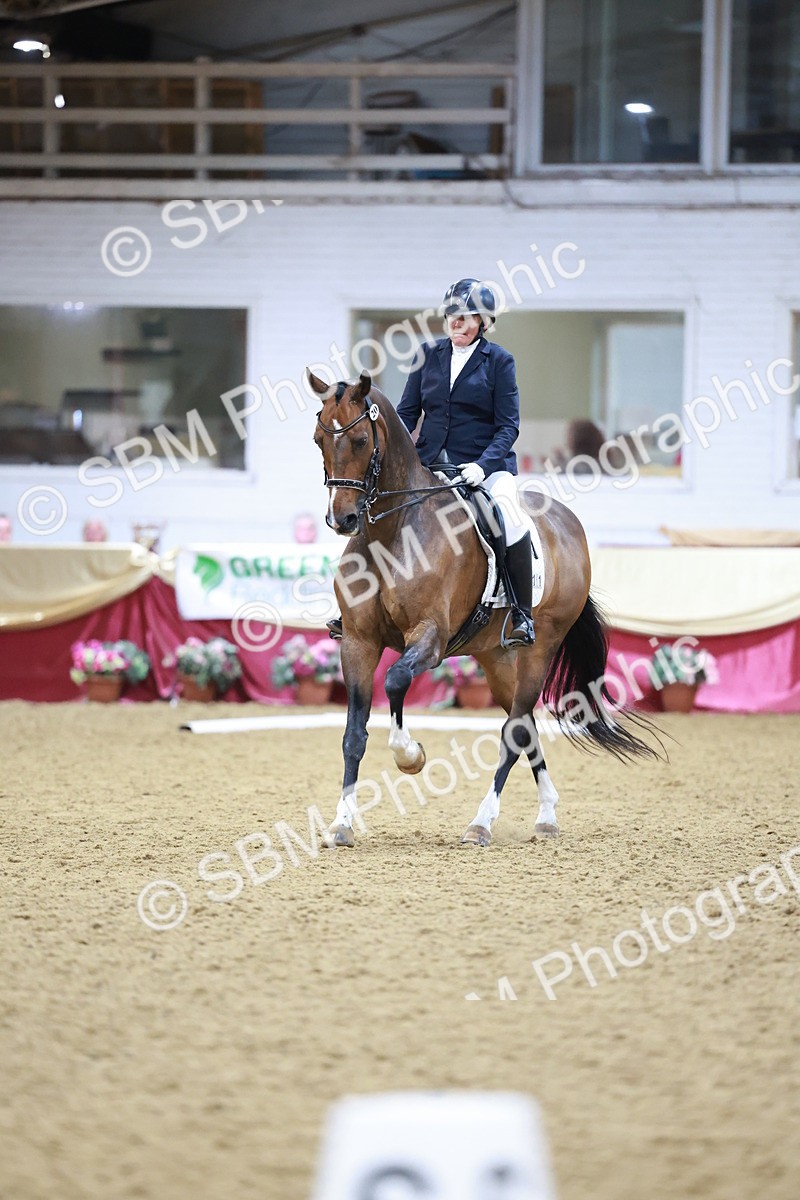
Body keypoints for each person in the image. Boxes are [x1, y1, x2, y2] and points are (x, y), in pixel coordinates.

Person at [326, 277, 535, 647]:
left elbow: (508, 426)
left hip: (484, 467)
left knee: (510, 518)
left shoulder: (500, 361)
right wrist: (394, 456)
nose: (456, 322)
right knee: (381, 511)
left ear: (483, 323)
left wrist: (484, 466)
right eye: (451, 315)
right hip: (430, 465)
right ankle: (355, 610)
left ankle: (521, 614)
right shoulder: (427, 356)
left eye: (466, 317)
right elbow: (406, 414)